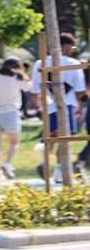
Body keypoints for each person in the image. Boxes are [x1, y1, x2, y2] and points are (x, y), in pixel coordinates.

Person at [31, 33, 87, 183]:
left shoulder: (40, 63)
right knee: (64, 138)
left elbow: (35, 90)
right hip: (67, 105)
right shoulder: (73, 63)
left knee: (52, 136)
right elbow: (80, 91)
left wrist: (37, 104)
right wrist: (80, 106)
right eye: (71, 47)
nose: (72, 50)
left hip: (48, 106)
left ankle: (45, 162)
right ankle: (59, 171)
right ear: (65, 46)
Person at [0, 57, 31, 181]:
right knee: (14, 142)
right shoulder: (17, 77)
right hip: (11, 113)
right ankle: (7, 163)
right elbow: (28, 87)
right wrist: (24, 73)